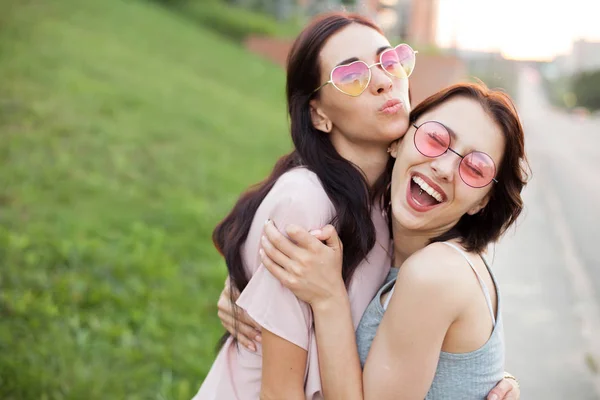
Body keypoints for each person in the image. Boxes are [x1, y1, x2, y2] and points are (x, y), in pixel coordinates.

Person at [201, 11, 520, 400]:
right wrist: (244, 283)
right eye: (352, 76)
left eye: (390, 62)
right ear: (318, 114)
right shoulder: (305, 202)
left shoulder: (390, 210)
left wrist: (474, 378)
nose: (384, 81)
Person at [257, 82, 529, 399]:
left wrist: (328, 299)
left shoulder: (434, 274)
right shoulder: (390, 246)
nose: (443, 168)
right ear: (399, 141)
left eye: (475, 168)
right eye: (435, 139)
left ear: (482, 200)